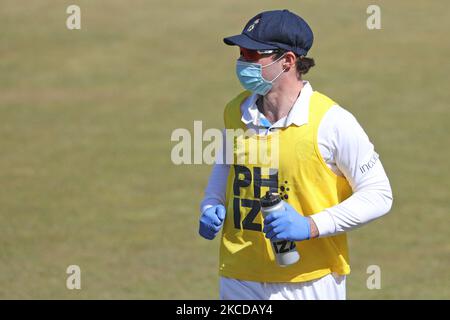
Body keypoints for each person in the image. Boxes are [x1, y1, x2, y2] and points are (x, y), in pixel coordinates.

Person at [198, 9, 393, 300]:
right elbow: (228, 164)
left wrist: (312, 226)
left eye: (252, 55)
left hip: (307, 281)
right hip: (239, 274)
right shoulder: (235, 111)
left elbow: (379, 194)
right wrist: (210, 202)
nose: (241, 62)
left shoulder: (332, 122)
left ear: (287, 60)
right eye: (240, 53)